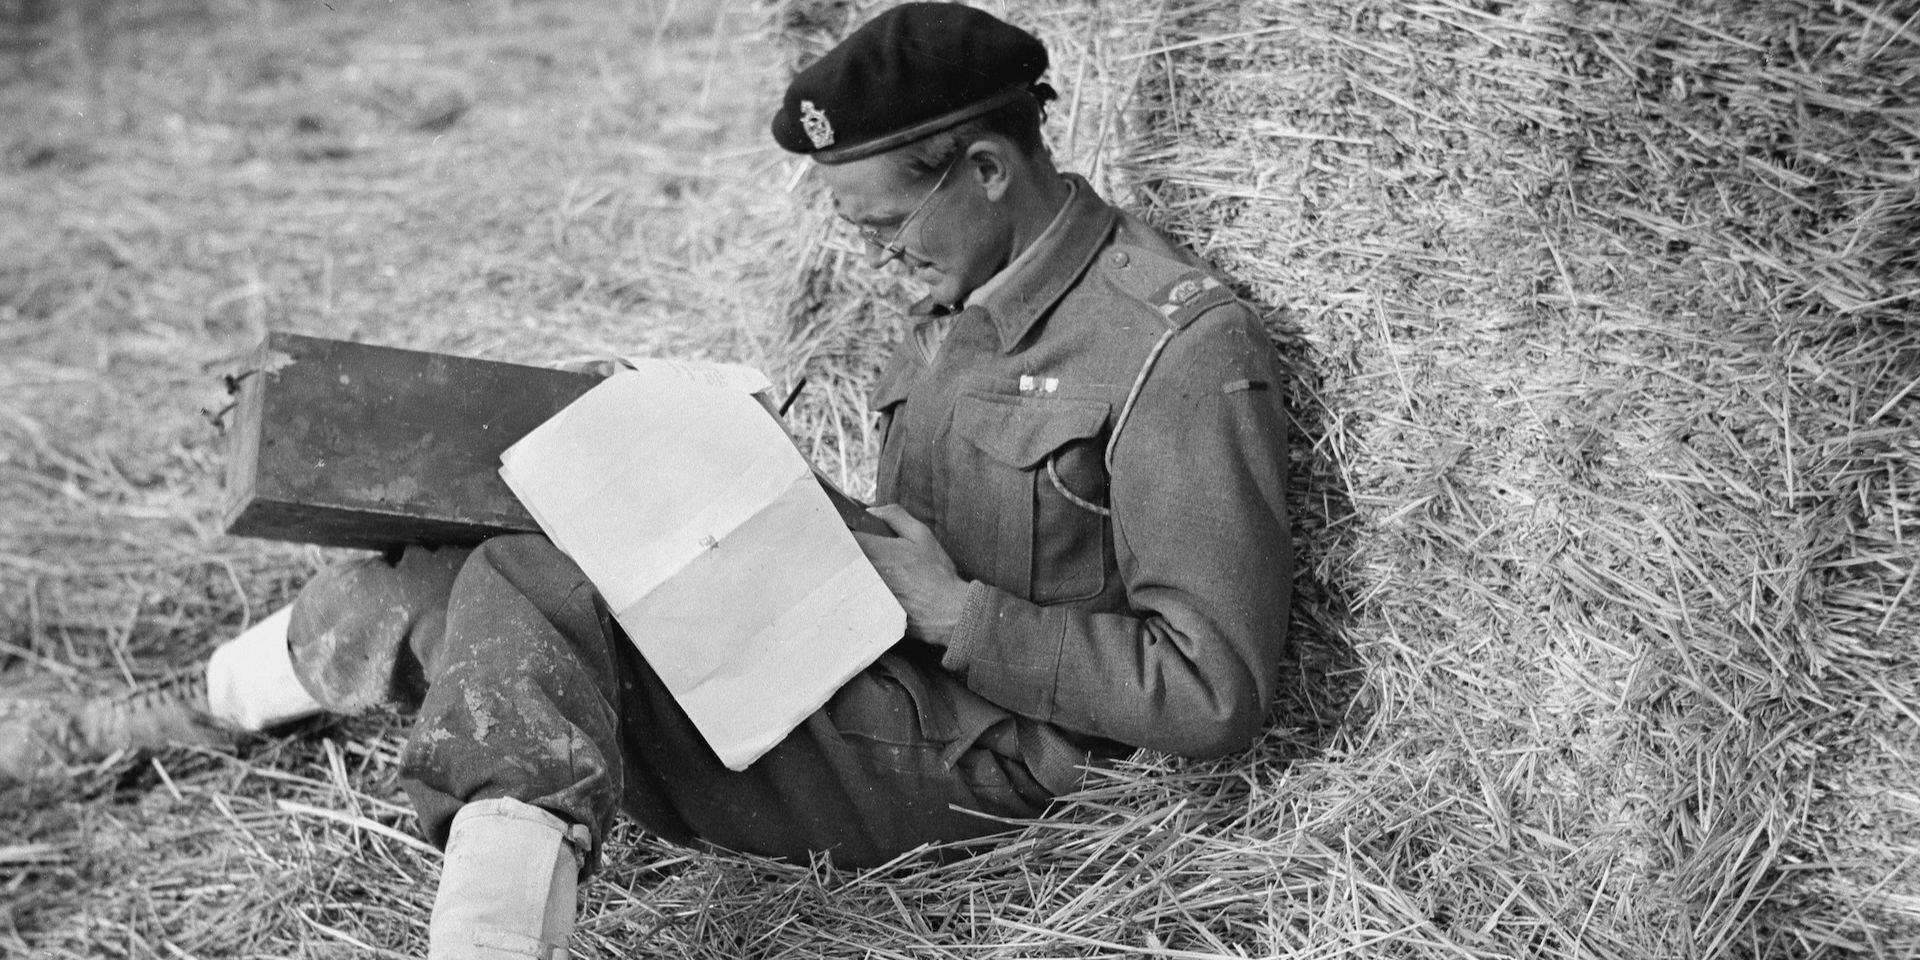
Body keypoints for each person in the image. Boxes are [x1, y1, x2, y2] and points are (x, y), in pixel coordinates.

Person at [0, 5, 1292, 957]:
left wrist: (957, 615)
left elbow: (1211, 689)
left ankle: (495, 928)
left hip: (984, 753)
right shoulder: (969, 284)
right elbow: (934, 531)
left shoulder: (1173, 349)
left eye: (890, 227)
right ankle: (193, 717)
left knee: (521, 580)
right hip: (858, 655)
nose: (884, 261)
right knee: (507, 523)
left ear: (991, 170)